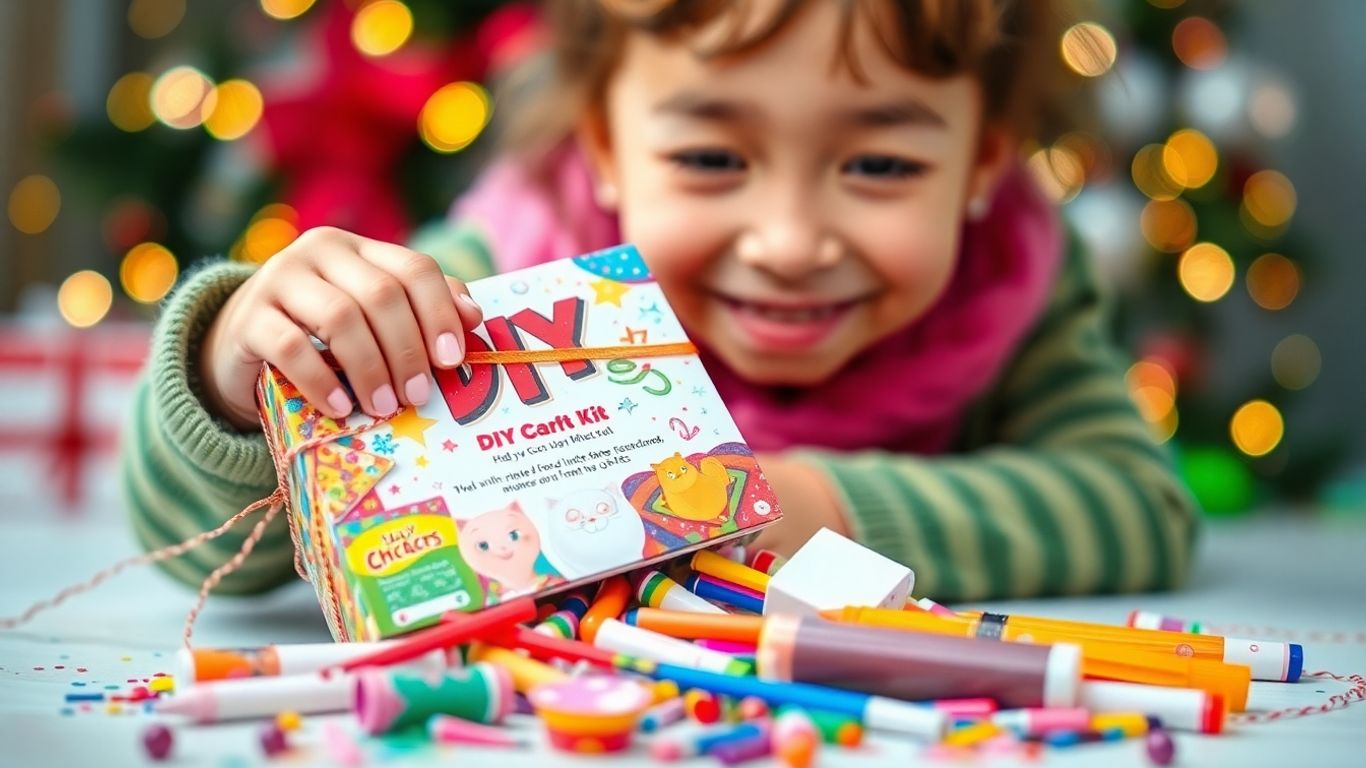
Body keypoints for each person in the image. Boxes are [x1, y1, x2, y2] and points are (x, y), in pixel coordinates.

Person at [123, 0, 1198, 602]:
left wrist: (796, 510)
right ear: (603, 149)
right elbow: (207, 551)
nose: (787, 243)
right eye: (709, 156)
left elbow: (1133, 504)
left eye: (878, 168)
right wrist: (236, 369)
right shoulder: (499, 274)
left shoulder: (1005, 283)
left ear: (978, 165)